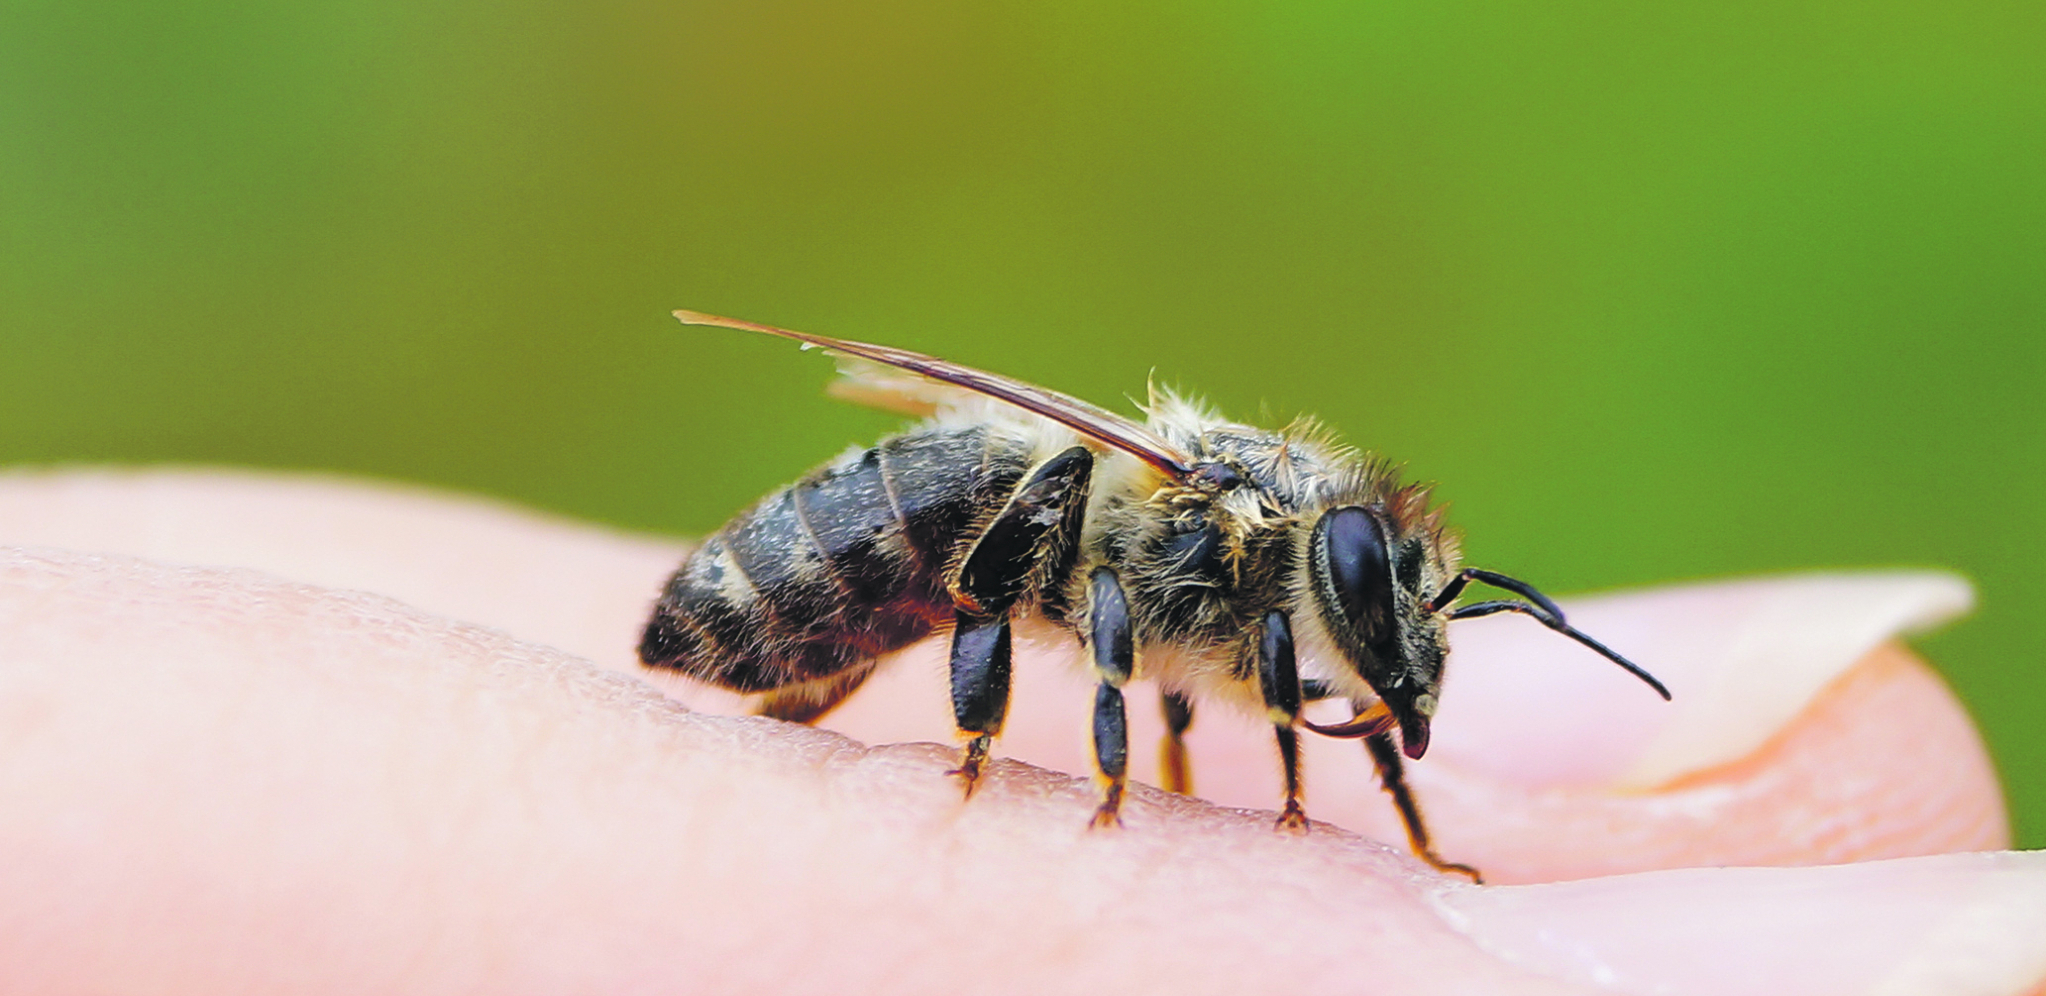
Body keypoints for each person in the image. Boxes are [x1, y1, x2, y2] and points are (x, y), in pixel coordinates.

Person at [0, 469, 2038, 994]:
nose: (1381, 670)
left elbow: (1259, 674)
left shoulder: (1272, 596)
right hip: (874, 550)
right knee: (986, 558)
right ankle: (954, 767)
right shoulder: (1187, 537)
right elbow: (1036, 584)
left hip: (930, 565)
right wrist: (1010, 788)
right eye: (1374, 626)